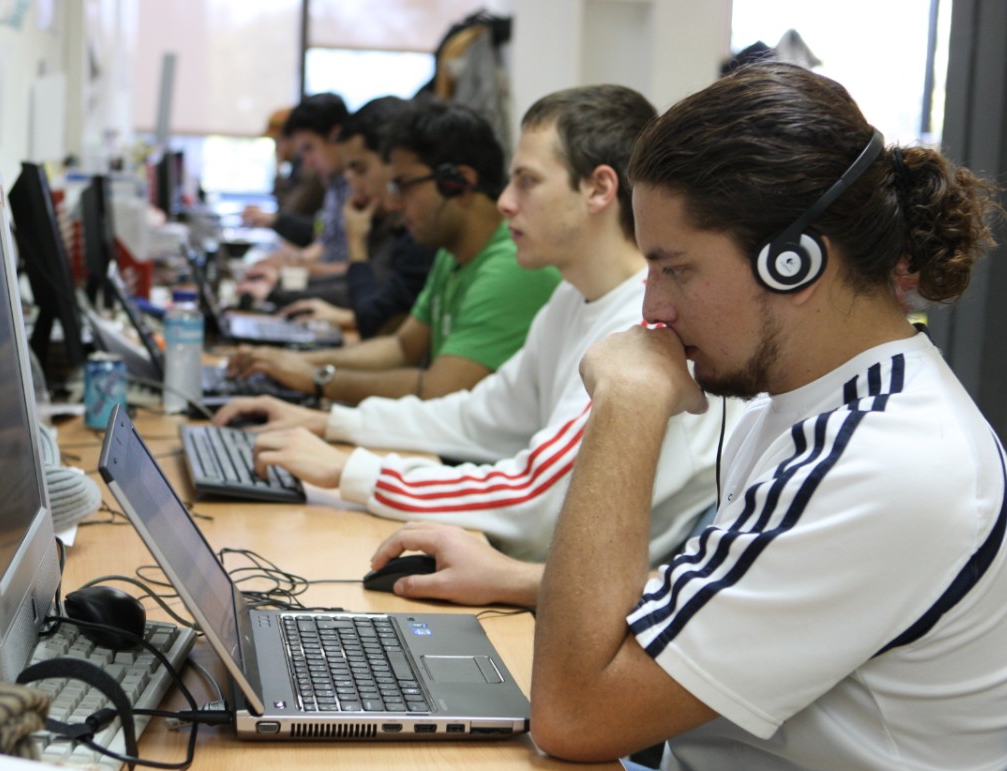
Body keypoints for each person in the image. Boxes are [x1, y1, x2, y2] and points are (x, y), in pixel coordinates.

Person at [528, 62, 1007, 771]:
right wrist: (521, 581)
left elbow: (575, 716)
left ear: (795, 262)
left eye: (675, 270)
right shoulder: (804, 403)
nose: (652, 310)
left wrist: (628, 402)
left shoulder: (888, 461)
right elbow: (739, 589)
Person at [211, 85, 729, 589]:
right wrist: (333, 422)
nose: (504, 202)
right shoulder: (571, 298)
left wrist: (351, 469)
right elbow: (478, 417)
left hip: (590, 605)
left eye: (527, 182)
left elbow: (535, 499)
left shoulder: (649, 326)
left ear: (598, 188)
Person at [226, 99, 561, 404]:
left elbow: (436, 390)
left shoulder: (511, 265)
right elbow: (401, 347)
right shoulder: (452, 253)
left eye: (404, 185)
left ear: (458, 183)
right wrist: (293, 362)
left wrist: (317, 378)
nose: (395, 203)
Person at [280, 95, 436, 339]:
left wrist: (356, 241)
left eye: (360, 169)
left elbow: (375, 318)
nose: (351, 180)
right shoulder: (394, 222)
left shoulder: (422, 232)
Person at [238, 92, 352, 304]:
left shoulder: (353, 185)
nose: (307, 162)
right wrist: (290, 262)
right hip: (324, 289)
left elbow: (358, 270)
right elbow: (323, 243)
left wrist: (296, 269)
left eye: (309, 148)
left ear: (335, 135)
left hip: (336, 295)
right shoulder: (335, 183)